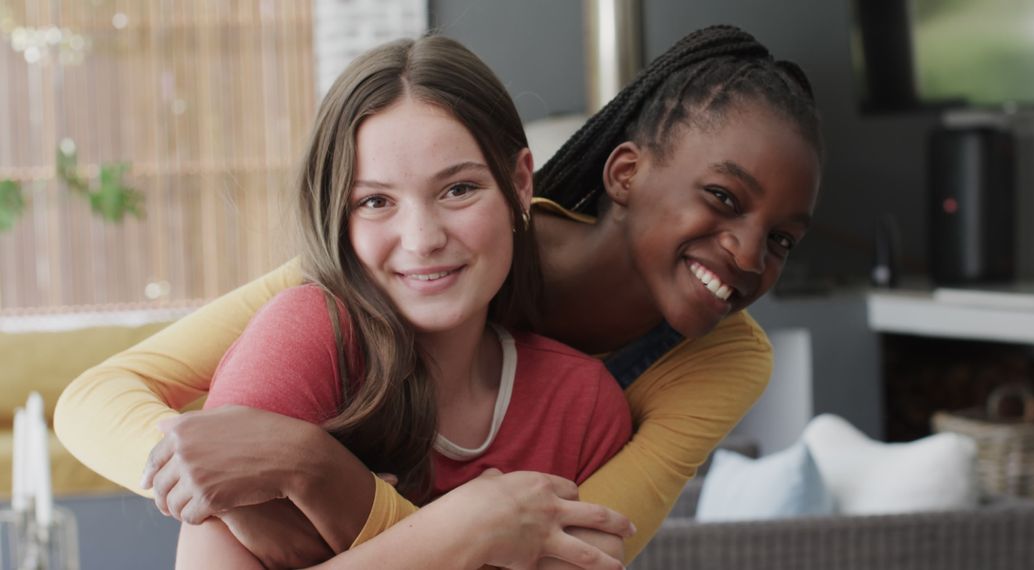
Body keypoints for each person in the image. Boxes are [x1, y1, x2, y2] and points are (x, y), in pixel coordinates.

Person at [55, 23, 823, 568]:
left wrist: (326, 485)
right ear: (623, 173)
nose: (750, 255)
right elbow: (97, 397)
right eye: (723, 198)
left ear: (514, 183)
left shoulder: (653, 381)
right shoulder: (355, 294)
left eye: (783, 238)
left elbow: (576, 555)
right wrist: (238, 465)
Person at [168, 35, 633, 569]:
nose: (422, 238)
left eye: (458, 189)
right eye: (375, 201)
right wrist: (467, 527)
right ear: (338, 218)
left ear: (520, 184)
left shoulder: (583, 405)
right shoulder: (302, 339)